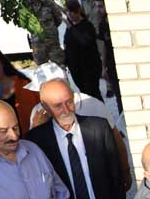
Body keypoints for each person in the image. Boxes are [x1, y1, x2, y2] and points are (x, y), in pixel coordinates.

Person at [26, 63, 132, 191]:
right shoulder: (38, 111)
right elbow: (33, 157)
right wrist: (38, 128)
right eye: (57, 105)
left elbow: (115, 140)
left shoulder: (93, 104)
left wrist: (125, 172)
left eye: (68, 102)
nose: (65, 110)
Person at [63, 0, 103, 102]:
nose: (69, 15)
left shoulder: (87, 25)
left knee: (93, 93)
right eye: (67, 12)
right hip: (75, 67)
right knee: (84, 93)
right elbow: (68, 44)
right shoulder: (70, 27)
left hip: (89, 67)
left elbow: (85, 42)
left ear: (78, 11)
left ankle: (100, 110)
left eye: (72, 12)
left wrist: (71, 28)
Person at [26, 0, 67, 68]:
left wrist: (49, 29)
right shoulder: (26, 5)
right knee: (41, 69)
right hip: (37, 44)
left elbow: (58, 19)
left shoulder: (48, 3)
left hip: (52, 42)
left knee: (59, 66)